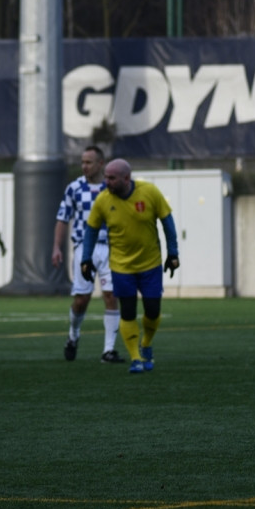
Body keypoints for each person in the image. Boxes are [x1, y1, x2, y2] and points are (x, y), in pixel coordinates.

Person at [80, 159, 179, 374]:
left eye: (111, 178)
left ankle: (146, 343)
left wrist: (173, 253)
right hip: (121, 266)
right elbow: (91, 230)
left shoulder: (150, 192)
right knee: (127, 312)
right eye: (105, 177)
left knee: (153, 311)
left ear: (127, 178)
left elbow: (168, 222)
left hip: (150, 264)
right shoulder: (103, 200)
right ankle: (136, 357)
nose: (106, 182)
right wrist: (86, 258)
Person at [52, 145, 124, 363]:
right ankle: (73, 336)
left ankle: (108, 350)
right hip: (85, 248)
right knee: (81, 300)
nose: (84, 166)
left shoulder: (112, 188)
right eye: (82, 162)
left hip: (110, 248)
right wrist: (57, 247)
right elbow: (63, 219)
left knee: (111, 296)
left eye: (88, 162)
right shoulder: (74, 188)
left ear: (100, 164)